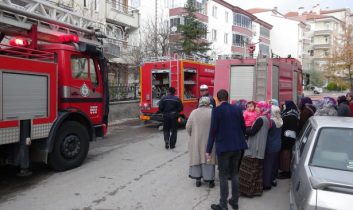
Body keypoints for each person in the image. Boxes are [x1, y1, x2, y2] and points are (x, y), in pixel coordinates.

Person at [206, 89, 248, 210]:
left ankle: (223, 205)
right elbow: (243, 127)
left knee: (223, 176)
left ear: (218, 99)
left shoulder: (217, 111)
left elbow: (213, 131)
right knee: (235, 174)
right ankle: (234, 201)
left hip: (224, 147)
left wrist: (208, 149)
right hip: (238, 146)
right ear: (228, 97)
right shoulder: (237, 109)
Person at [239, 101, 271, 197]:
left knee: (248, 171)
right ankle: (256, 191)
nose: (256, 108)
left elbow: (252, 131)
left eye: (257, 107)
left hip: (254, 148)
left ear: (262, 108)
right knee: (256, 170)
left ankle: (247, 192)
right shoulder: (266, 119)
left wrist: (243, 128)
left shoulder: (260, 119)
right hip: (260, 148)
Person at [186, 97, 216, 188]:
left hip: (196, 140)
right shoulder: (212, 112)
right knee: (209, 159)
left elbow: (188, 126)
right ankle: (210, 180)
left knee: (197, 157)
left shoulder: (194, 112)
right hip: (209, 140)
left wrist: (192, 134)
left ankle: (198, 180)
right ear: (208, 103)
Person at [263, 105, 283, 190]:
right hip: (278, 144)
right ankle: (273, 180)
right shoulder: (280, 120)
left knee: (268, 165)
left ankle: (267, 184)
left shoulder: (271, 122)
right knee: (274, 164)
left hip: (270, 145)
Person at [278, 101, 299, 179]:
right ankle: (285, 171)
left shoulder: (291, 115)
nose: (284, 107)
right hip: (287, 137)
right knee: (285, 155)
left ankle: (286, 172)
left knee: (286, 155)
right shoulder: (290, 113)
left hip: (288, 138)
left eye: (285, 105)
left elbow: (290, 128)